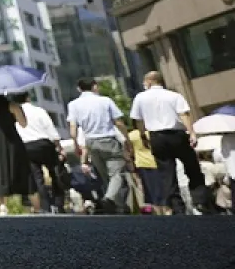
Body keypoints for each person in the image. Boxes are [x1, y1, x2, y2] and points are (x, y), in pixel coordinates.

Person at [129, 72, 210, 213]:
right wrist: (191, 133)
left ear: (149, 82)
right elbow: (184, 114)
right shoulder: (174, 95)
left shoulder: (140, 98)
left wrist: (142, 135)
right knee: (192, 167)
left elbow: (139, 120)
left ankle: (177, 207)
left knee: (166, 173)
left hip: (156, 137)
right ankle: (200, 201)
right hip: (177, 135)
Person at [65, 78, 131, 213]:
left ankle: (119, 207)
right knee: (117, 174)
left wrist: (76, 145)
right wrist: (127, 139)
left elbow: (73, 128)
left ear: (79, 89)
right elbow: (118, 122)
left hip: (90, 142)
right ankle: (109, 198)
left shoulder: (73, 104)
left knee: (105, 175)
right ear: (95, 86)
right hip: (108, 140)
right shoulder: (105, 101)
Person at [0, 94, 37, 214]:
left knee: (0, 168)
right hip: (10, 139)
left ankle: (2, 204)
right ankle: (33, 205)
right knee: (20, 168)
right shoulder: (11, 105)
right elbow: (23, 123)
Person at [17, 93, 69, 213]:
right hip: (43, 144)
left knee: (37, 178)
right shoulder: (38, 110)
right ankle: (59, 204)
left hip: (26, 147)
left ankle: (44, 207)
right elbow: (50, 129)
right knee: (55, 173)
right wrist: (59, 147)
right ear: (28, 98)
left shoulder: (14, 114)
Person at [126, 126, 165, 215]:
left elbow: (129, 152)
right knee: (163, 192)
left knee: (152, 194)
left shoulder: (131, 135)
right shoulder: (155, 132)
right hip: (158, 163)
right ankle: (167, 213)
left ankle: (158, 216)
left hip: (143, 165)